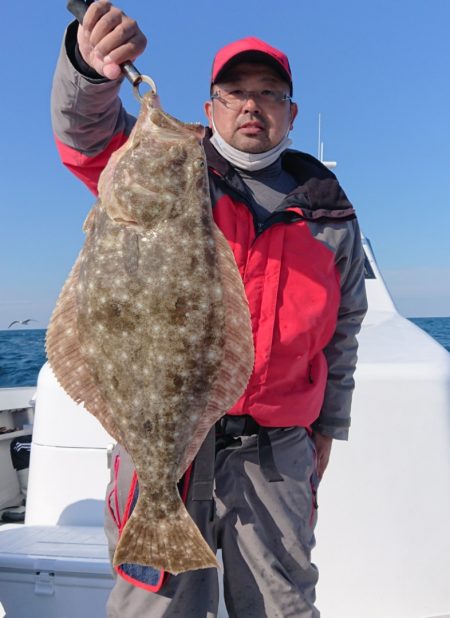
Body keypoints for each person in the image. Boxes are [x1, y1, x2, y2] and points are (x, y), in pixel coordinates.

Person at [51, 2, 367, 616]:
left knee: (282, 606)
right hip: (160, 446)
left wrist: (329, 425)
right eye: (234, 92)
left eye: (269, 93)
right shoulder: (176, 165)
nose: (251, 105)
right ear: (210, 109)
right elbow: (85, 134)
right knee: (157, 609)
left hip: (277, 452)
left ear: (290, 112)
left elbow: (344, 329)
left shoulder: (329, 209)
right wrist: (92, 73)